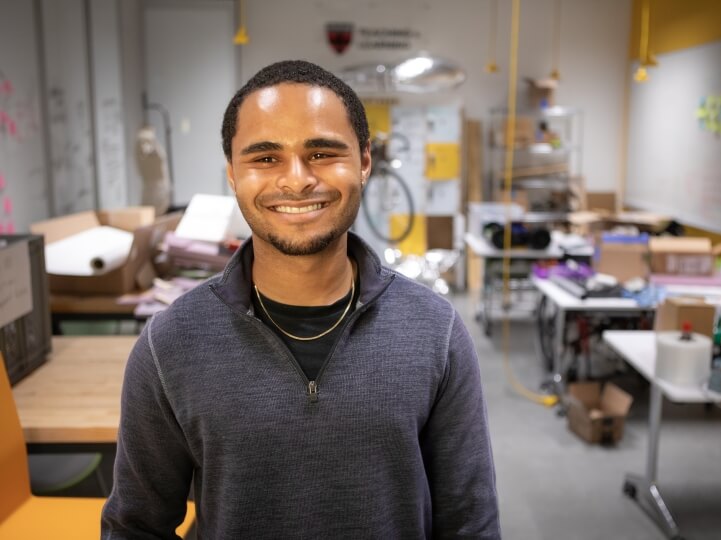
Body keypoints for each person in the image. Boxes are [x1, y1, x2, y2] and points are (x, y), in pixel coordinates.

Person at [101, 60, 500, 538]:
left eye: (322, 153)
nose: (296, 180)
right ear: (232, 173)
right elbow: (135, 527)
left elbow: (470, 524)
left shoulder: (436, 332)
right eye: (265, 158)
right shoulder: (170, 344)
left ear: (364, 162)